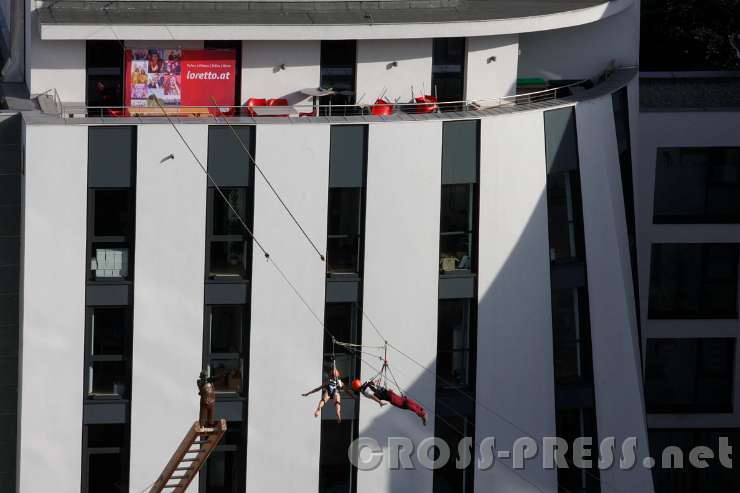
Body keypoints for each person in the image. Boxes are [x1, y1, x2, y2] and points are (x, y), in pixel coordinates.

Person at [352, 378, 427, 426]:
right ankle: (421, 410)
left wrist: (379, 402)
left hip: (389, 397)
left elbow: (373, 396)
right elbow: (375, 383)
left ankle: (422, 414)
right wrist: (377, 382)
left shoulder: (365, 391)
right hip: (388, 393)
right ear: (359, 383)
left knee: (404, 404)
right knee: (405, 401)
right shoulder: (367, 383)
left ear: (357, 388)